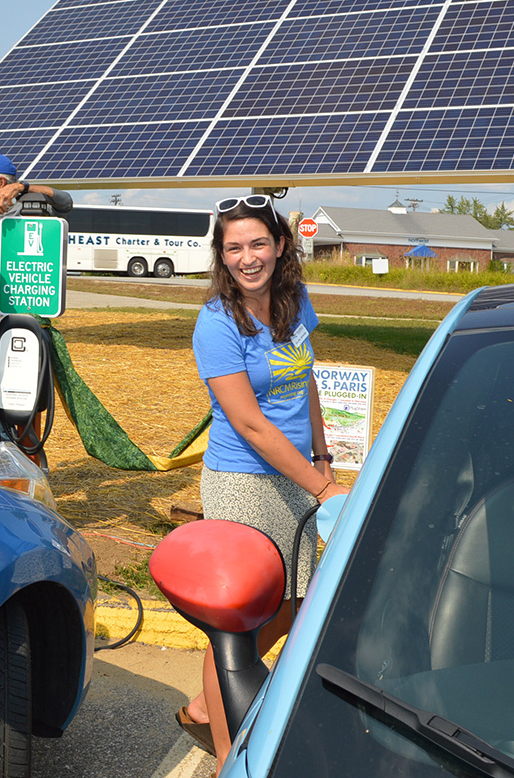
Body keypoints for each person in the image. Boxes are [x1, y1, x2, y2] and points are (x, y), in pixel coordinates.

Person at [180, 194, 350, 769]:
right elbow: (250, 424)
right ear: (221, 257)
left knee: (301, 602)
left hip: (298, 474)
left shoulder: (295, 300)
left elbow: (307, 382)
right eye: (234, 248)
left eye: (258, 244)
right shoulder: (216, 323)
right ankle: (229, 754)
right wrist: (324, 489)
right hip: (243, 482)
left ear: (280, 246)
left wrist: (323, 459)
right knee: (238, 622)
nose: (247, 258)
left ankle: (208, 705)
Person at [0, 153, 72, 445]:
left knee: (6, 404)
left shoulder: (23, 209)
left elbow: (65, 201)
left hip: (2, 323)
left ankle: (4, 467)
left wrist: (22, 187)